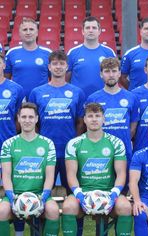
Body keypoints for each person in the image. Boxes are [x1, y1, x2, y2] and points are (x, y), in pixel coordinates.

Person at [61, 103, 133, 236]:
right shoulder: (74, 144)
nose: (94, 119)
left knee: (125, 207)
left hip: (109, 193)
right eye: (90, 116)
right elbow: (71, 175)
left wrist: (114, 194)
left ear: (104, 119)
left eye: (98, 116)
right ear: (84, 120)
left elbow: (121, 173)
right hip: (83, 193)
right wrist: (79, 195)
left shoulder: (116, 142)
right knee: (68, 206)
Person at [29, 50, 85, 193]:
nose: (58, 67)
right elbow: (33, 122)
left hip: (69, 152)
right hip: (45, 151)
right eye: (55, 64)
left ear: (67, 67)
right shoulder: (37, 92)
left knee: (73, 191)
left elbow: (80, 122)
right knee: (41, 191)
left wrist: (75, 143)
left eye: (62, 63)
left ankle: (76, 216)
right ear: (49, 67)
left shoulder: (77, 92)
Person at [0, 102, 60, 236]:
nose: (27, 120)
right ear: (19, 118)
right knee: (2, 211)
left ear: (37, 119)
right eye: (24, 117)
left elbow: (50, 176)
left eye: (31, 117)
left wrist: (43, 198)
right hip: (15, 194)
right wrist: (12, 198)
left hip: (40, 194)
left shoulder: (47, 143)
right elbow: (6, 175)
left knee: (53, 210)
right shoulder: (8, 144)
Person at [86, 57, 139, 169]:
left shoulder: (131, 98)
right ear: (101, 74)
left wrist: (120, 142)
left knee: (125, 185)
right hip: (99, 152)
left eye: (114, 71)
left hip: (124, 151)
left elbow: (133, 127)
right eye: (107, 71)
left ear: (119, 73)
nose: (111, 75)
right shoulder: (93, 98)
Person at [66, 16, 116, 99]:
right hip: (79, 100)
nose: (91, 30)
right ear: (82, 31)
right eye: (87, 28)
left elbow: (115, 76)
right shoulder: (73, 52)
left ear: (99, 31)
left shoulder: (109, 52)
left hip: (104, 99)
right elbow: (66, 77)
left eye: (94, 28)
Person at [4, 17, 51, 100]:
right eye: (25, 30)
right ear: (19, 33)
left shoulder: (48, 53)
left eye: (31, 29)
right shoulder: (11, 53)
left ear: (37, 32)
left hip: (42, 99)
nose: (28, 32)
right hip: (18, 99)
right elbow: (5, 79)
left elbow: (53, 79)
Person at [0, 52, 25, 149]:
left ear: (4, 65)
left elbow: (21, 117)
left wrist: (11, 133)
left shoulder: (17, 89)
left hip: (9, 144)